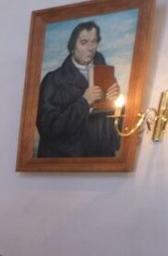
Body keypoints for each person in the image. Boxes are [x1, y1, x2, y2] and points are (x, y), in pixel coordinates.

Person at [36, 21, 121, 158]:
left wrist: (118, 103)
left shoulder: (108, 76)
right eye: (84, 42)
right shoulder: (53, 80)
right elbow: (48, 128)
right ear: (72, 46)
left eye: (94, 42)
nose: (90, 48)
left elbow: (117, 130)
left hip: (102, 163)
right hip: (64, 163)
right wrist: (84, 102)